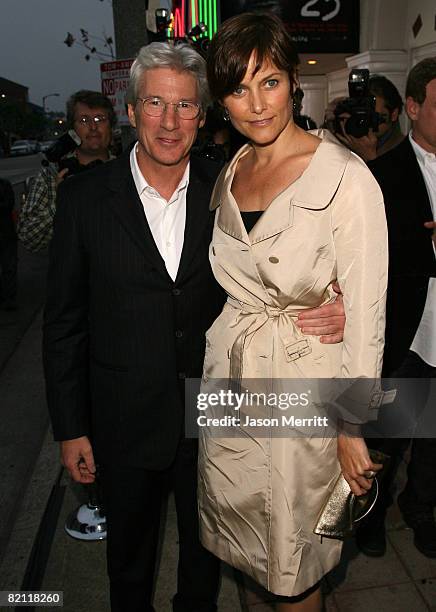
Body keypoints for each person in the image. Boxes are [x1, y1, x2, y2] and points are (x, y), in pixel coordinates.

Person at [43, 42, 346, 612]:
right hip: (123, 416)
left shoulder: (230, 189)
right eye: (155, 103)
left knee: (207, 559)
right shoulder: (85, 199)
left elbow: (282, 276)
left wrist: (332, 304)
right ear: (131, 110)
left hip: (215, 414)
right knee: (128, 566)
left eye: (185, 107)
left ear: (202, 116)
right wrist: (70, 427)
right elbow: (63, 324)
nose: (169, 121)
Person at [197, 13, 388, 611]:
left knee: (295, 568)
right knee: (248, 555)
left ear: (293, 82)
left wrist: (353, 427)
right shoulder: (231, 171)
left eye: (269, 82)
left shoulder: (347, 179)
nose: (256, 104)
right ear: (222, 100)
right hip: (230, 385)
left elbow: (367, 312)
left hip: (306, 393)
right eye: (238, 88)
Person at [356, 58, 436, 559]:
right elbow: (368, 258)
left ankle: (421, 507)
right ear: (412, 108)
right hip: (407, 332)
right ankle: (370, 515)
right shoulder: (380, 175)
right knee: (387, 436)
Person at [18, 90, 115, 252]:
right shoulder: (51, 175)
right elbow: (29, 239)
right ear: (72, 130)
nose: (93, 127)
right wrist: (60, 200)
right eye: (84, 120)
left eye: (100, 119)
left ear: (111, 126)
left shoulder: (128, 171)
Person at [325, 74, 404, 162]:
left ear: (393, 115)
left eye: (371, 113)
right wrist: (331, 127)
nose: (364, 118)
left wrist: (370, 158)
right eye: (361, 110)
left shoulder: (404, 151)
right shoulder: (349, 138)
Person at [0, 178, 17, 310]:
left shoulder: (5, 184)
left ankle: (9, 296)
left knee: (8, 265)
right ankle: (7, 295)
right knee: (8, 265)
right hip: (6, 231)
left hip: (6, 232)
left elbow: (8, 205)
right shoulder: (5, 184)